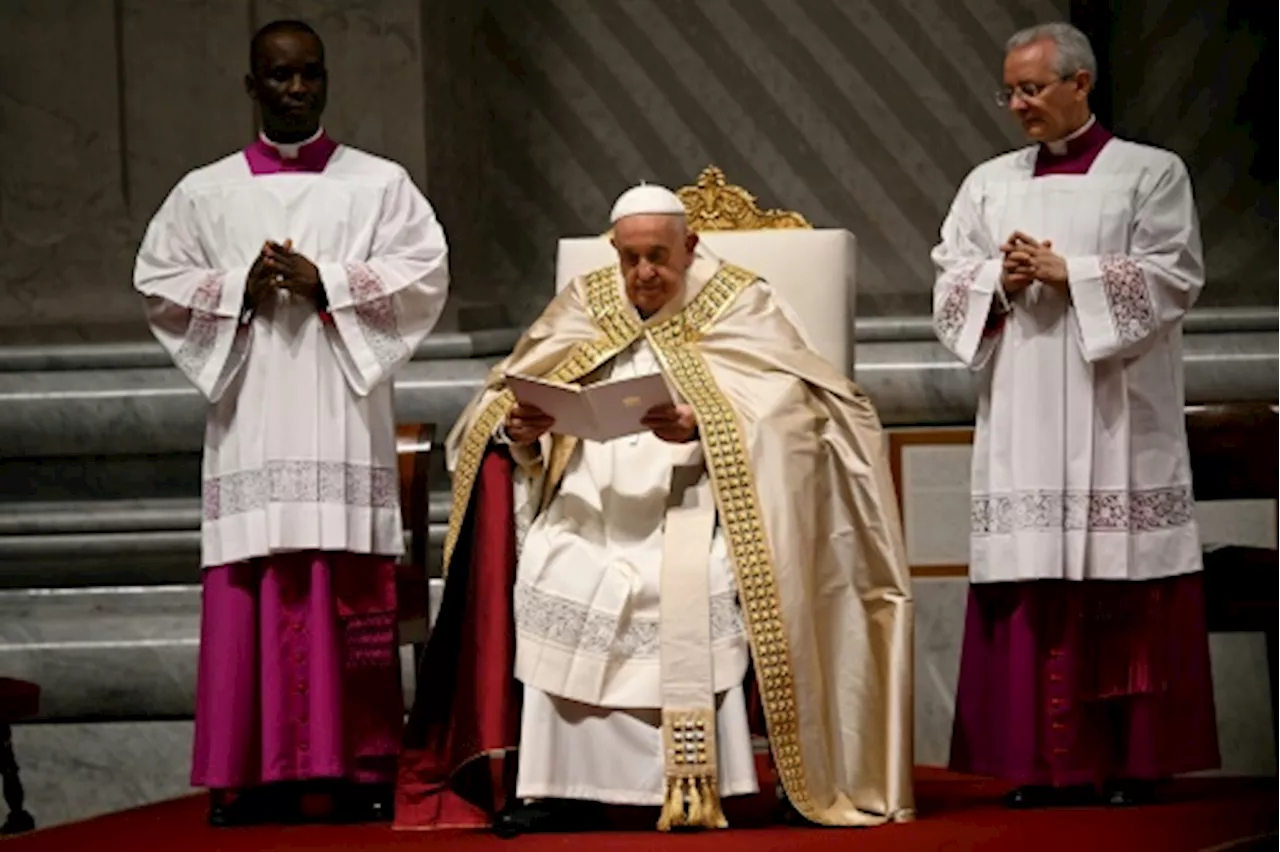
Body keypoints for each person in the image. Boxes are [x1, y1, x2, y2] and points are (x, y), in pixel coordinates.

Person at [395, 184, 914, 835]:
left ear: (691, 247)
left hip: (698, 499)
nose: (644, 274)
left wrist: (706, 425)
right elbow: (501, 398)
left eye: (659, 258)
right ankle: (560, 788)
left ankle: (695, 781)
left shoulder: (741, 301)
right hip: (590, 496)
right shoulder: (587, 301)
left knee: (688, 585)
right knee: (557, 565)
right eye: (630, 258)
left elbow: (799, 414)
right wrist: (522, 430)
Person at [133, 19, 449, 826]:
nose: (297, 89)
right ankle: (251, 774)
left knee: (345, 586)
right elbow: (159, 280)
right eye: (279, 77)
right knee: (254, 583)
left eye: (310, 74)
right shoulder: (206, 194)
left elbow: (424, 273)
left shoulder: (379, 186)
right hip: (253, 423)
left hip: (342, 420)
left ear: (326, 80)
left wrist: (329, 282)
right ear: (252, 87)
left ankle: (361, 767)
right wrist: (241, 285)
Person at [931, 22, 1219, 808]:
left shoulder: (1150, 173)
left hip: (1114, 413)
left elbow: (1175, 275)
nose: (1018, 104)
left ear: (1081, 83)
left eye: (1032, 88)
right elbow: (948, 278)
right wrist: (1000, 275)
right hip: (1024, 412)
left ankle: (1129, 763)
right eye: (1011, 91)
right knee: (1033, 575)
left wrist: (1071, 272)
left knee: (1117, 578)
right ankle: (1041, 768)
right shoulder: (988, 183)